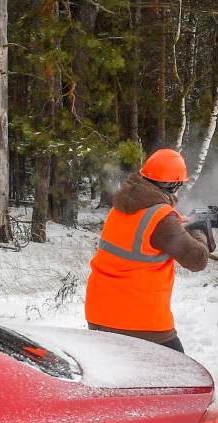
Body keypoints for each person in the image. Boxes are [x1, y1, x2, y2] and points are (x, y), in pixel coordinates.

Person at [85, 149, 210, 353]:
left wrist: (179, 224)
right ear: (175, 184)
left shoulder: (121, 207)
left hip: (99, 313)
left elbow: (149, 234)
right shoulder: (161, 217)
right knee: (181, 375)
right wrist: (198, 229)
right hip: (139, 321)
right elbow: (197, 260)